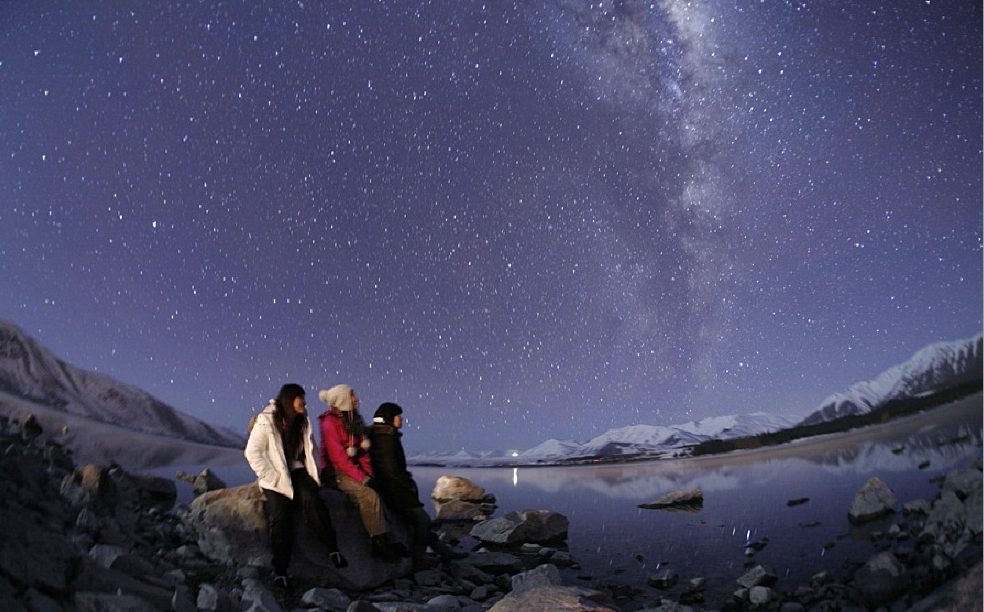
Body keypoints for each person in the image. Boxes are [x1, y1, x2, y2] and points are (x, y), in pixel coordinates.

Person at [244, 383, 347, 589]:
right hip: (276, 474)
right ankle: (280, 570)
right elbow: (253, 453)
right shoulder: (266, 420)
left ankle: (332, 548)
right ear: (290, 399)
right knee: (281, 515)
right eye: (301, 398)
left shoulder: (302, 420)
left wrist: (315, 474)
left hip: (297, 469)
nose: (305, 402)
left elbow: (311, 450)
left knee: (313, 499)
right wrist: (272, 477)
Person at [318, 384, 404, 562]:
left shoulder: (355, 419)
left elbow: (363, 453)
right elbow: (338, 458)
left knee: (382, 490)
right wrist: (363, 479)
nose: (356, 398)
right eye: (352, 395)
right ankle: (378, 542)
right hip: (336, 473)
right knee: (368, 496)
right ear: (342, 399)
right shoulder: (329, 422)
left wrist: (369, 475)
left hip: (353, 470)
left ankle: (394, 539)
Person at [368, 402, 438, 570]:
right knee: (423, 520)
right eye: (398, 416)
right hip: (393, 492)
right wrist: (409, 488)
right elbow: (391, 472)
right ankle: (419, 560)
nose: (402, 419)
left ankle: (443, 551)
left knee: (419, 521)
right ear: (389, 418)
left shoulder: (384, 435)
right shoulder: (386, 440)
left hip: (392, 489)